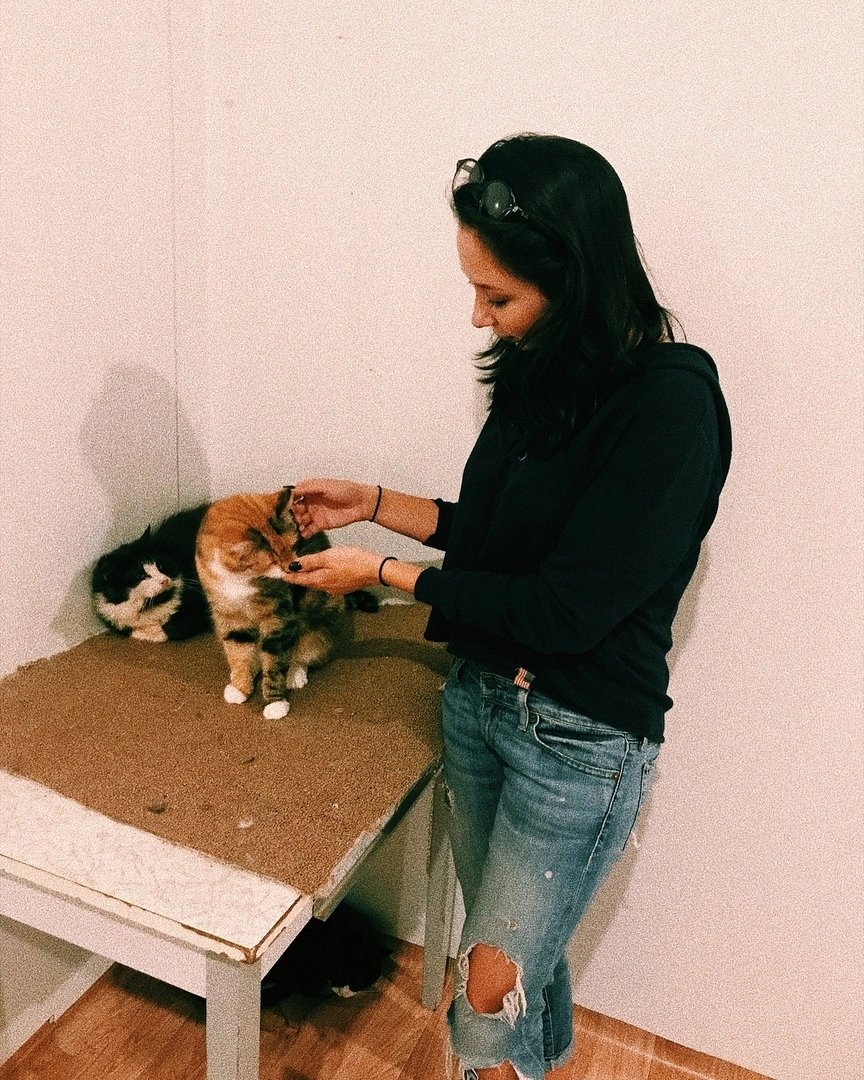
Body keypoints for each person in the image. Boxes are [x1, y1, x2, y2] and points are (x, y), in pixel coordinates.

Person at [283, 134, 732, 1080]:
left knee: (487, 992)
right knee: (522, 955)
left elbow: (565, 610)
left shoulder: (671, 407)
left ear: (576, 282)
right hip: (480, 703)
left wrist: (383, 574)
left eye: (499, 297)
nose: (480, 319)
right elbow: (490, 537)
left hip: (576, 740)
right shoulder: (540, 372)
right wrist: (372, 503)